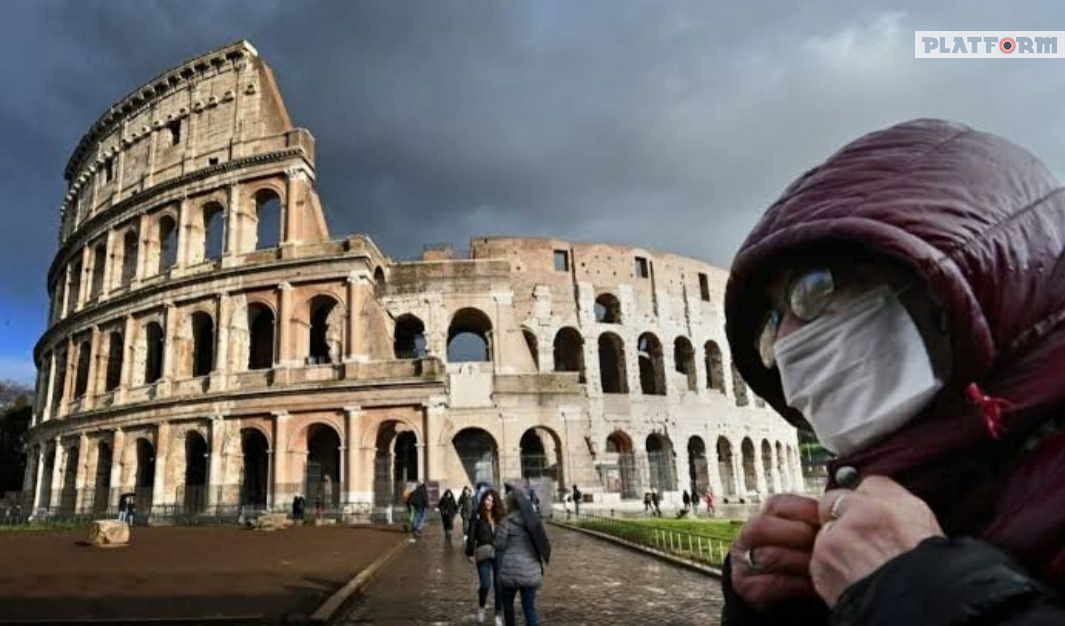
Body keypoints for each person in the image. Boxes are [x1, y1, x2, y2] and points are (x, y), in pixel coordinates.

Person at [719, 119, 1065, 624]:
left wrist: (915, 591)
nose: (787, 341)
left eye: (815, 288)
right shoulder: (915, 484)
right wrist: (774, 609)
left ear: (956, 280)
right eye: (773, 323)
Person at [495, 488, 551, 626]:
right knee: (530, 608)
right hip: (530, 571)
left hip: (510, 571)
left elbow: (499, 544)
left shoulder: (506, 522)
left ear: (509, 505)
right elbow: (541, 542)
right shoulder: (533, 523)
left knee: (508, 608)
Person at [466, 488, 505, 625]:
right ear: (483, 500)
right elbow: (471, 534)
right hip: (483, 552)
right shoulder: (477, 515)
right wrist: (469, 552)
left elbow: (506, 534)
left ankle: (498, 614)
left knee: (499, 584)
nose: (490, 503)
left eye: (492, 501)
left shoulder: (500, 516)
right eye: (488, 500)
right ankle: (481, 607)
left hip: (499, 553)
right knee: (485, 584)